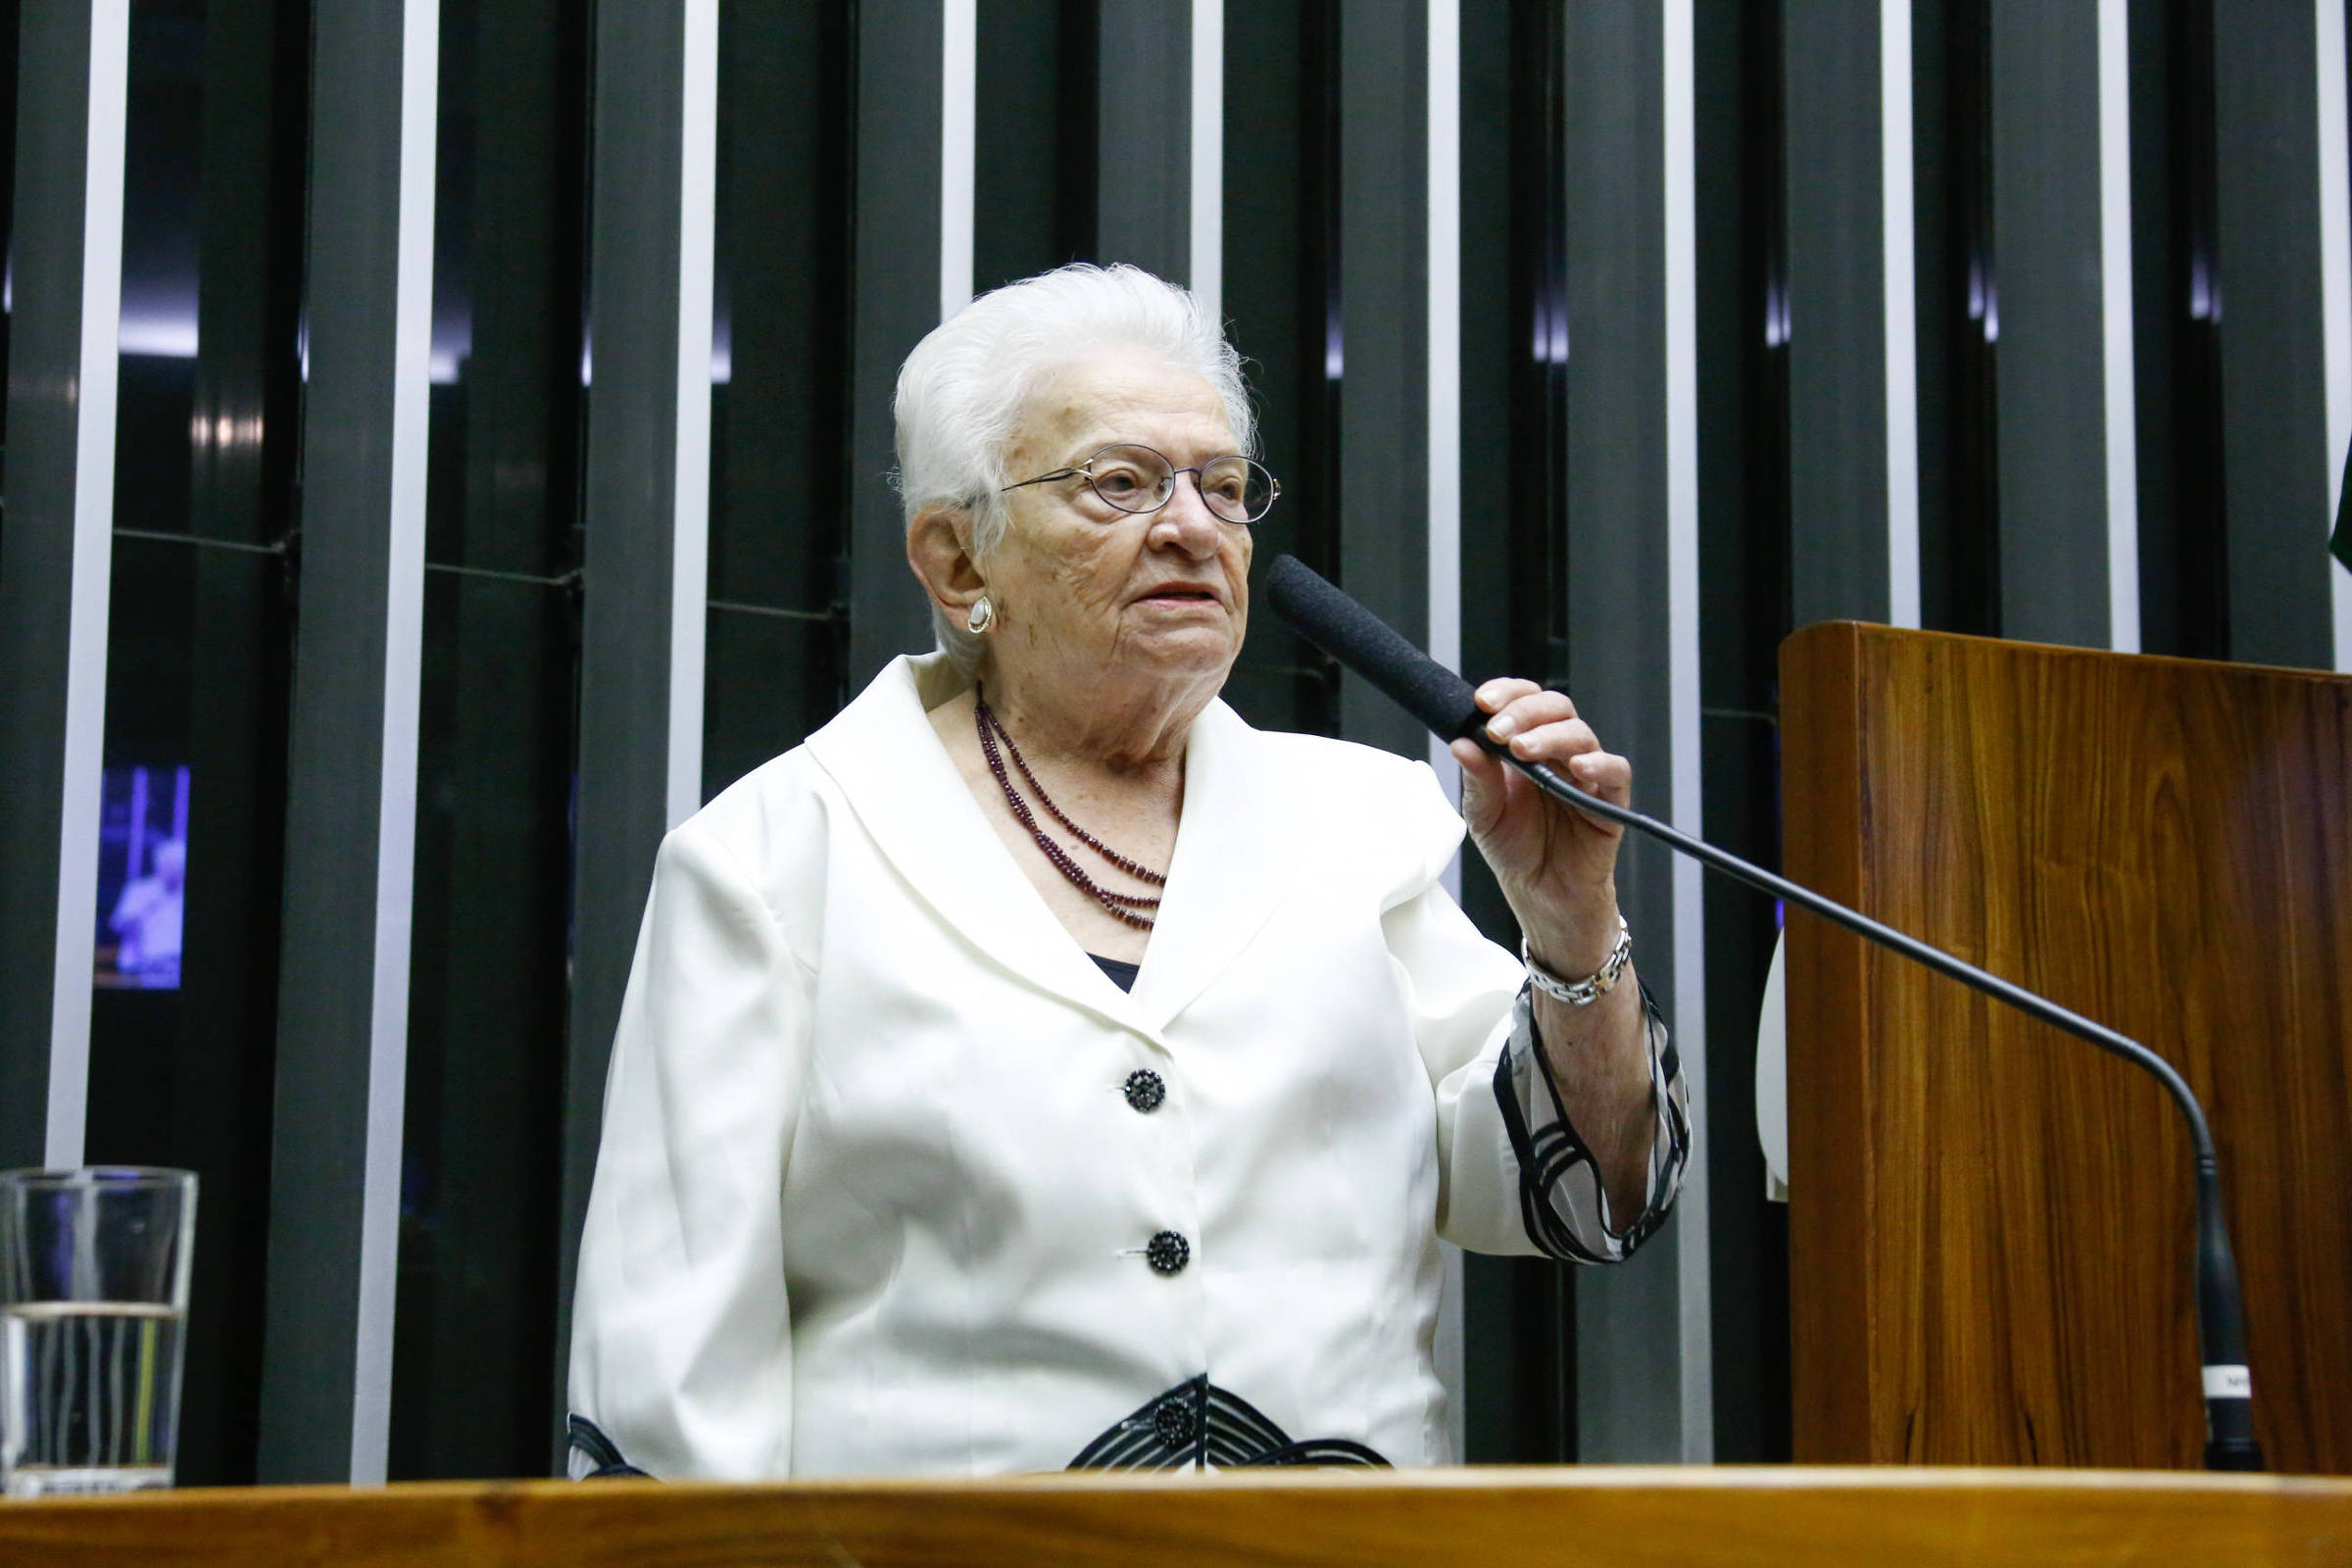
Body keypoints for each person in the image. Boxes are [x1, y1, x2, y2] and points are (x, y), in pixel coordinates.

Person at [565, 265, 1688, 1480]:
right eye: (1119, 482)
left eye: (1222, 486)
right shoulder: (775, 858)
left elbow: (1587, 1196)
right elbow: (670, 1382)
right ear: (959, 561)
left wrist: (1571, 920)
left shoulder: (1359, 823)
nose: (1193, 528)